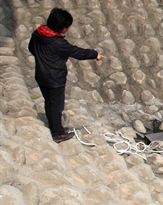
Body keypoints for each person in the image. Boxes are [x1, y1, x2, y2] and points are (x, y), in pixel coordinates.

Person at [28, 8, 105, 143]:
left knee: (49, 102)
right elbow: (77, 52)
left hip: (41, 75)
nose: (67, 29)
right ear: (61, 27)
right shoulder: (58, 43)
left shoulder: (38, 33)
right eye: (67, 27)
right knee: (57, 106)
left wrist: (43, 58)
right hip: (54, 79)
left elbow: (31, 48)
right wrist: (95, 54)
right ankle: (58, 133)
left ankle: (53, 124)